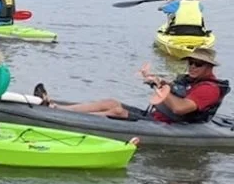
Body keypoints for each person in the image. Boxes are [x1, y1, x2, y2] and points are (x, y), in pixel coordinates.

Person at [41, 48, 228, 124]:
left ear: (209, 67)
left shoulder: (208, 89)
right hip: (156, 117)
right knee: (111, 101)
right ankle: (58, 108)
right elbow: (173, 89)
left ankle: (63, 117)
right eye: (191, 63)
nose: (193, 67)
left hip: (170, 125)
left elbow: (179, 108)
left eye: (198, 64)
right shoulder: (191, 80)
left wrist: (161, 90)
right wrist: (157, 81)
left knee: (117, 111)